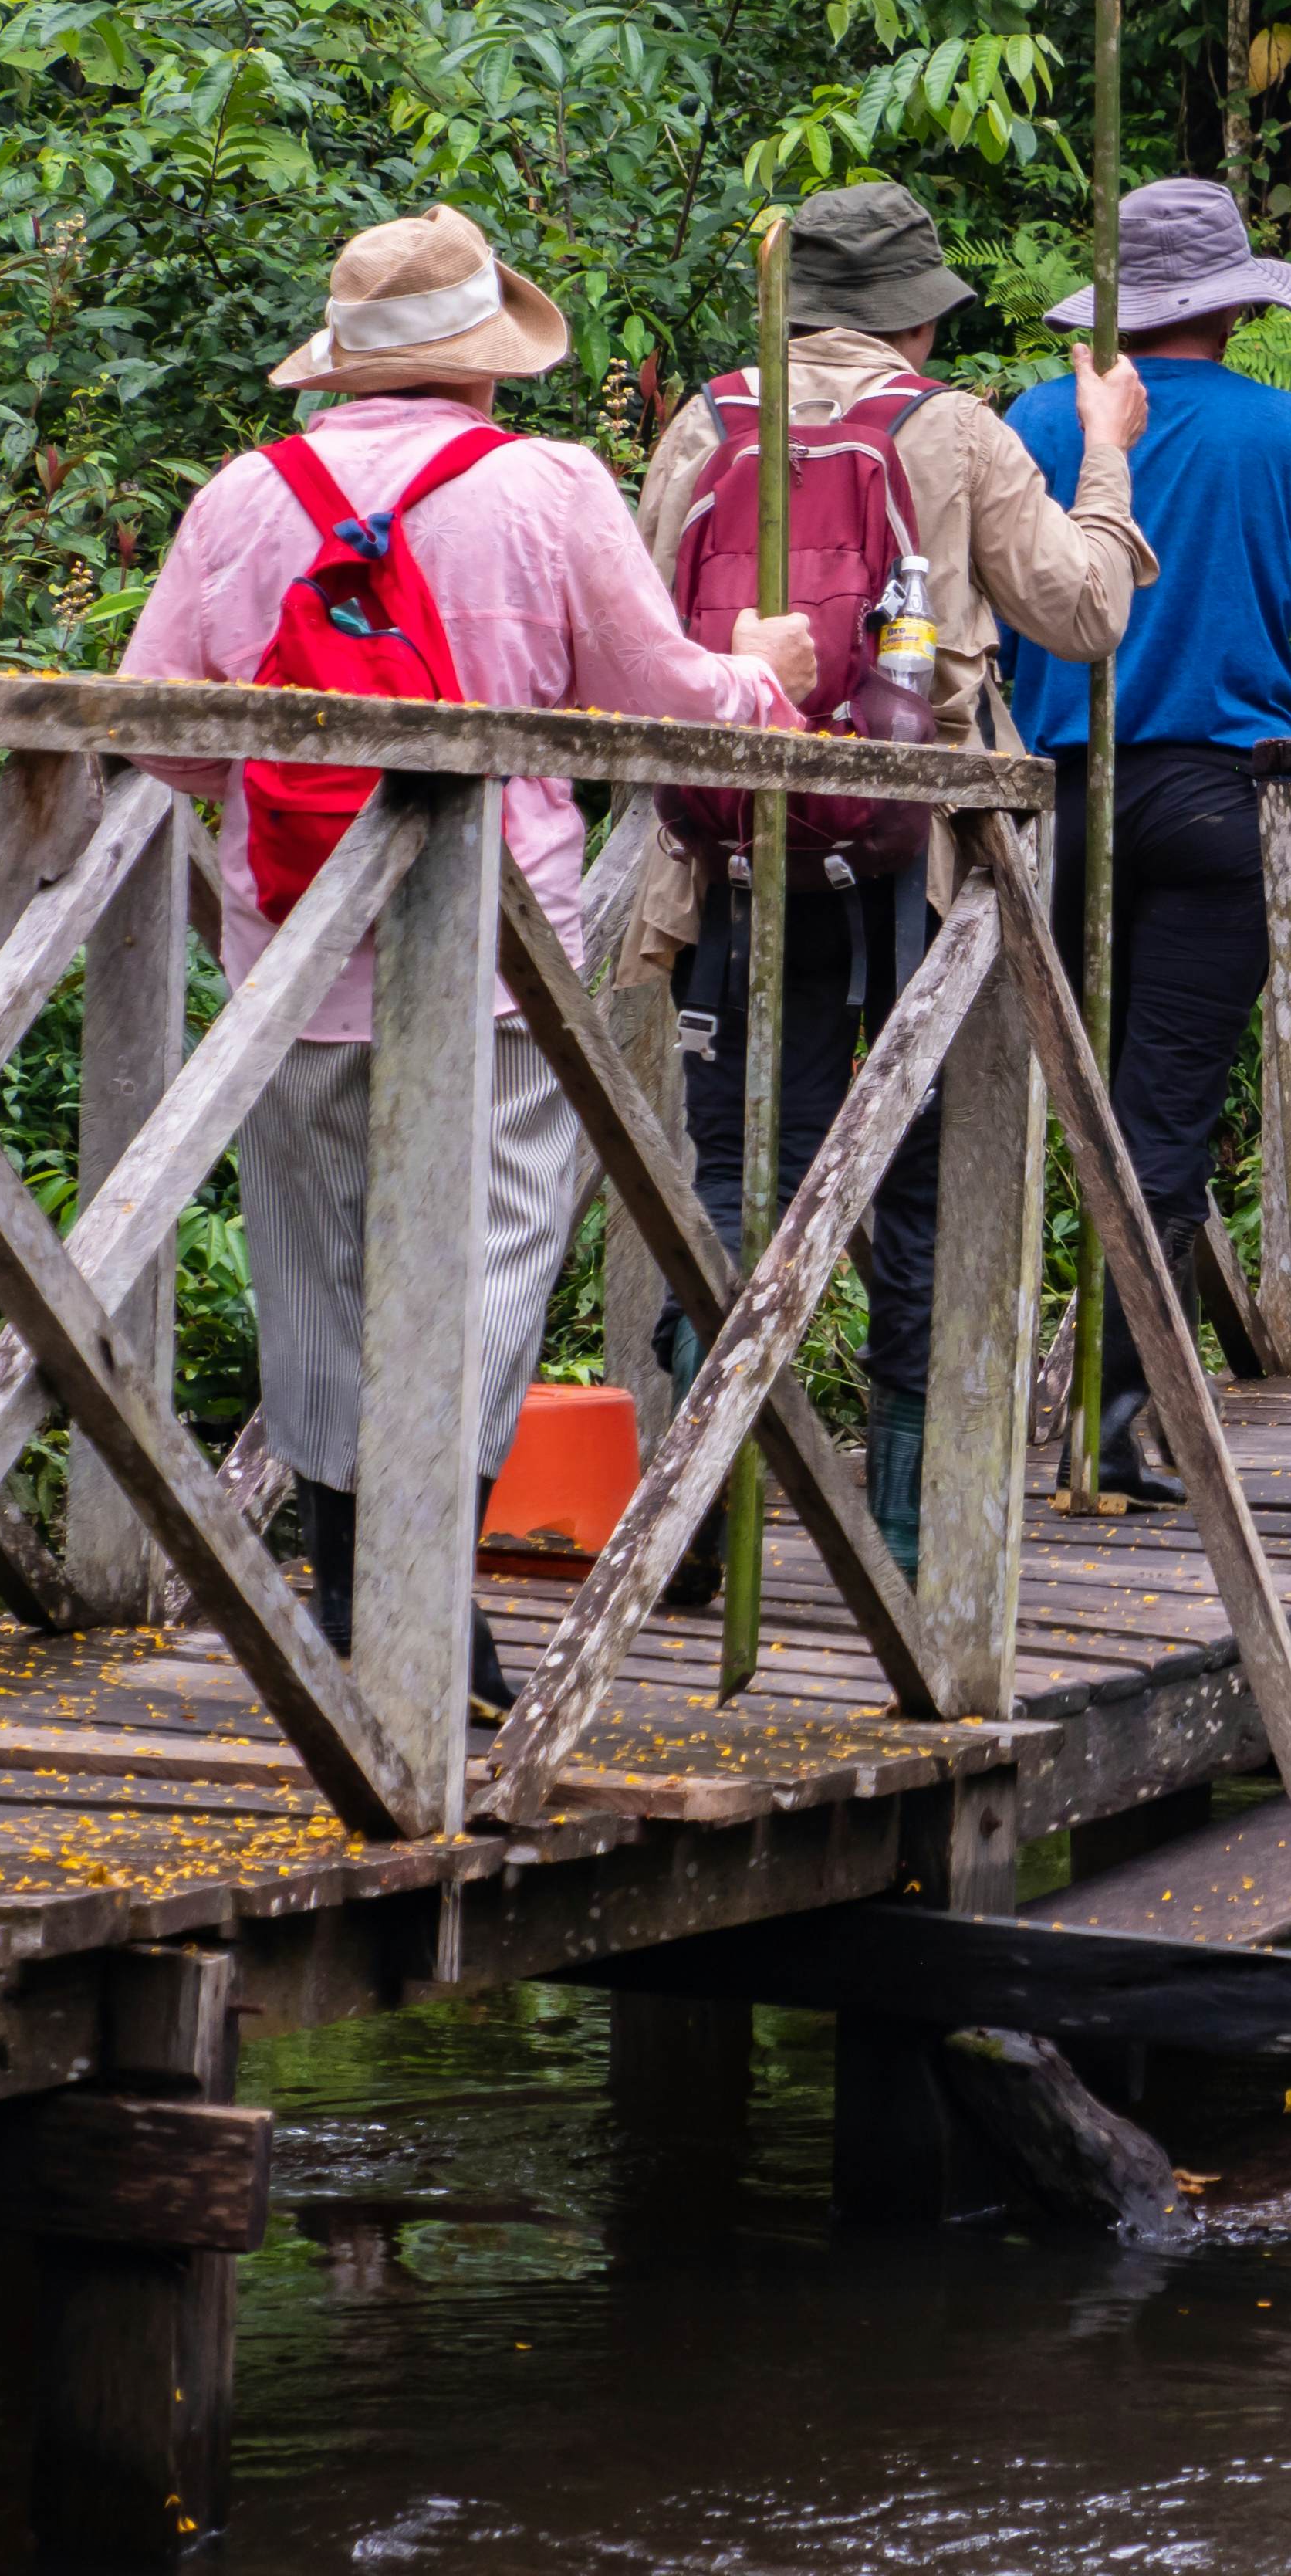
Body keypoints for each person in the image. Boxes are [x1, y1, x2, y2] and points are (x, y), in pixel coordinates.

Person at [122, 204, 820, 1713]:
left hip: (294, 960)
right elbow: (669, 703)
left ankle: (369, 1601)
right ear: (486, 365)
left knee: (321, 1283)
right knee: (490, 1279)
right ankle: (416, 1611)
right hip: (501, 978)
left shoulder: (245, 499)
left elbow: (156, 736)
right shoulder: (545, 488)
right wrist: (765, 679)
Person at [628, 180, 1151, 1579]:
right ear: (918, 314)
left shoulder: (706, 420)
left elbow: (636, 627)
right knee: (914, 1177)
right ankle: (915, 1532)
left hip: (732, 854)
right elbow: (1083, 611)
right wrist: (1106, 457)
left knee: (740, 1171)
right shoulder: (951, 426)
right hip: (920, 873)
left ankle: (683, 1522)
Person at [998, 178, 1291, 1507]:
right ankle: (1109, 1421)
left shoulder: (1034, 419)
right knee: (1160, 1118)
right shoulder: (1284, 432)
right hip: (1211, 798)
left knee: (1031, 1113)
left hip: (1056, 795)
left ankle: (994, 1410)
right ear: (1238, 306)